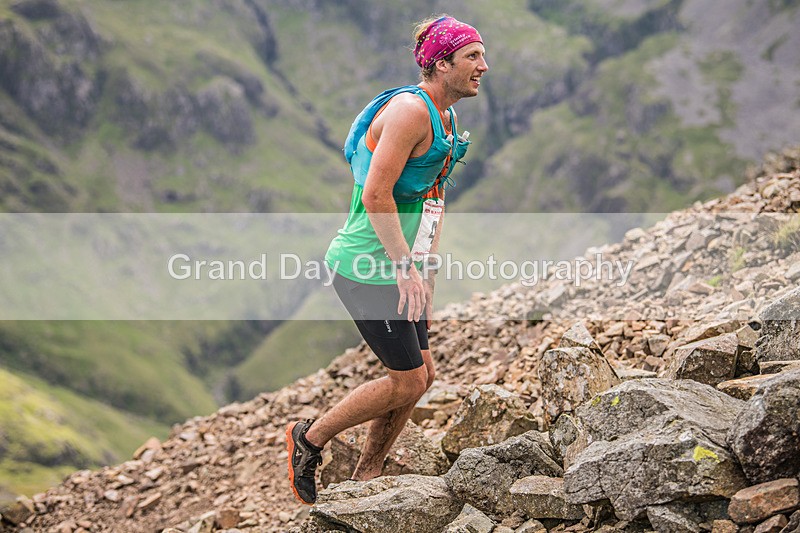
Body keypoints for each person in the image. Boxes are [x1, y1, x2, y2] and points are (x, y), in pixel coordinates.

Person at [286, 14, 488, 505]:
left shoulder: (445, 117)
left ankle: (368, 472)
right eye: (472, 56)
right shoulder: (410, 112)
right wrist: (404, 268)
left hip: (401, 269)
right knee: (409, 380)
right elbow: (376, 194)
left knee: (424, 377)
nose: (484, 65)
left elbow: (434, 197)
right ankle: (309, 438)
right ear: (442, 64)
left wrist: (425, 269)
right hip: (364, 267)